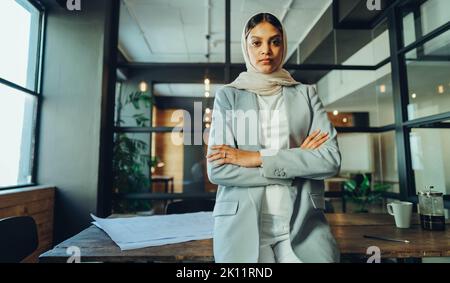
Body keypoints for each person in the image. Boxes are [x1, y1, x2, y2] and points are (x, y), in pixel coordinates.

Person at [206, 13, 341, 263]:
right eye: (257, 42)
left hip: (302, 224)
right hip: (241, 225)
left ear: (283, 45)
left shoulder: (306, 94)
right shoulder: (228, 96)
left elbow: (330, 160)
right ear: (246, 46)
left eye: (275, 41)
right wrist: (298, 161)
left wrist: (256, 158)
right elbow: (218, 170)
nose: (266, 50)